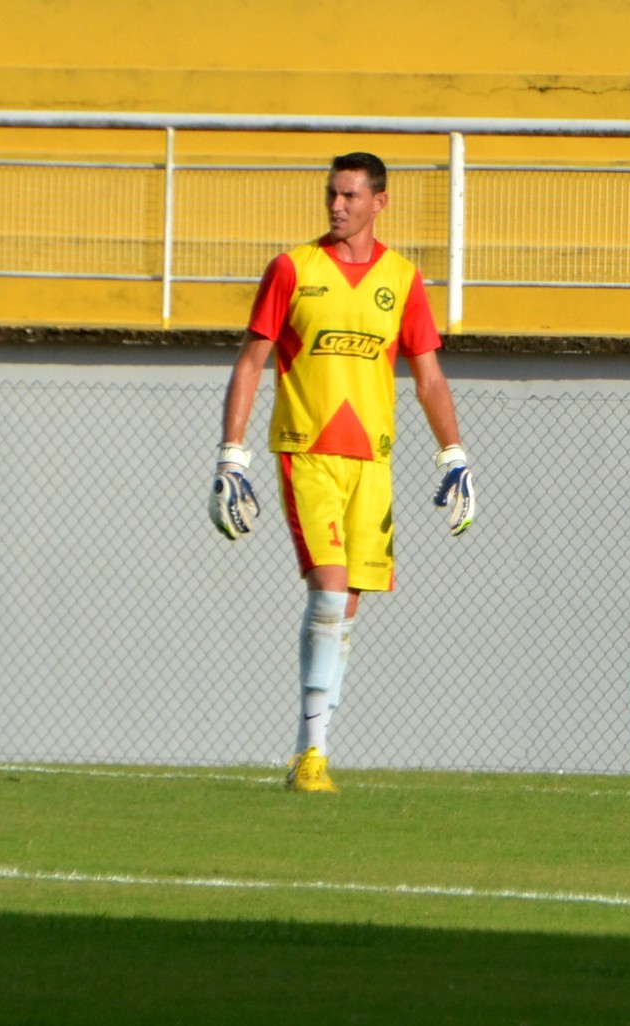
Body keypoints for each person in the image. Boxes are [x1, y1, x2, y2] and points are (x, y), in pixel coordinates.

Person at [208, 151, 475, 793]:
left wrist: (455, 455)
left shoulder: (403, 280)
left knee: (349, 605)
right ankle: (310, 756)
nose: (336, 206)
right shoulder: (292, 270)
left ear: (379, 202)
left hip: (373, 462)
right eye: (332, 193)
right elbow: (251, 362)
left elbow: (428, 375)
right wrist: (231, 454)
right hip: (308, 453)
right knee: (328, 593)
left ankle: (316, 750)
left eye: (350, 196)